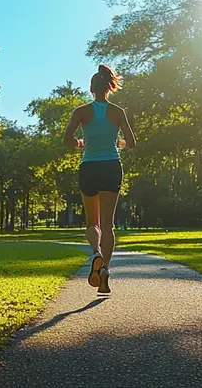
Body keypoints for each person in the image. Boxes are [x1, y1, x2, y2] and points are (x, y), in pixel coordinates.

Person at [63, 64, 136, 294]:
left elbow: (67, 139)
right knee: (108, 224)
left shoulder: (81, 111)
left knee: (92, 223)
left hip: (90, 167)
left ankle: (95, 253)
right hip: (111, 166)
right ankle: (104, 268)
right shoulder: (118, 112)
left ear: (91, 89)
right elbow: (131, 142)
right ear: (109, 88)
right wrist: (118, 143)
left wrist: (80, 143)